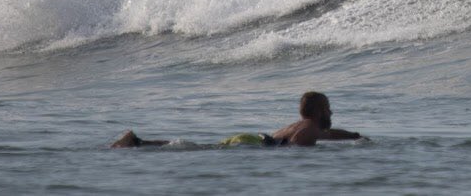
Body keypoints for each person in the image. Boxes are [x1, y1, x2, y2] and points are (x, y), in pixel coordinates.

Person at [109, 91, 364, 148]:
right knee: (197, 149)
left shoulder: (296, 125)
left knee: (199, 148)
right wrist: (354, 136)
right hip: (250, 143)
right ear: (319, 111)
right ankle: (137, 143)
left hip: (251, 139)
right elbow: (324, 136)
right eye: (329, 109)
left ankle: (138, 142)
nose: (332, 114)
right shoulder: (310, 129)